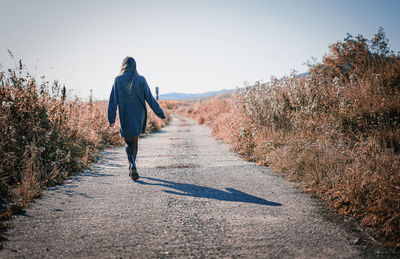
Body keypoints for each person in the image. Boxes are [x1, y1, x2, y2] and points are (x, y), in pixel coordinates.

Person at [108, 57, 166, 181]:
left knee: (128, 142)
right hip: (139, 115)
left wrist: (111, 118)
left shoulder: (118, 80)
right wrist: (160, 114)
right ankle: (133, 165)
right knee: (135, 141)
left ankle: (132, 164)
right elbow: (150, 98)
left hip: (125, 114)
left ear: (123, 66)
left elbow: (113, 101)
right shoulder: (141, 79)